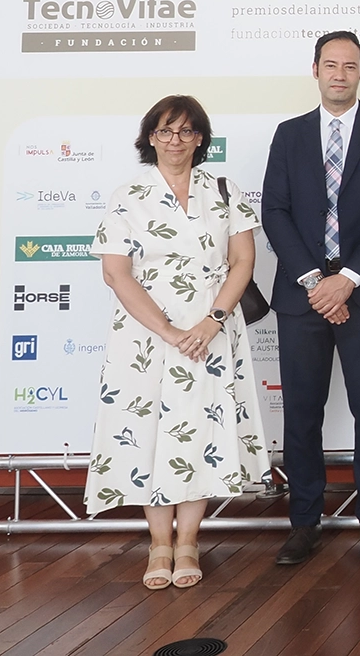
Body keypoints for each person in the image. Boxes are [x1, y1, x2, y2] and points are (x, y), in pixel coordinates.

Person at [87, 95, 270, 590]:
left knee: (201, 434)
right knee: (151, 435)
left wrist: (211, 322)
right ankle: (159, 544)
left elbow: (243, 263)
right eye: (166, 131)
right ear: (150, 137)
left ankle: (187, 540)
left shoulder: (227, 191)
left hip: (211, 333)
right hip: (146, 337)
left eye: (187, 132)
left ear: (201, 140)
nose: (176, 141)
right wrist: (168, 331)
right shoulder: (128, 195)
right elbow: (115, 273)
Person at [262, 31, 360, 566]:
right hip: (302, 297)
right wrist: (313, 281)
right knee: (302, 410)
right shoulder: (289, 134)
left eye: (350, 65)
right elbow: (274, 211)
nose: (340, 74)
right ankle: (304, 521)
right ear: (316, 69)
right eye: (331, 64)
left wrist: (345, 280)